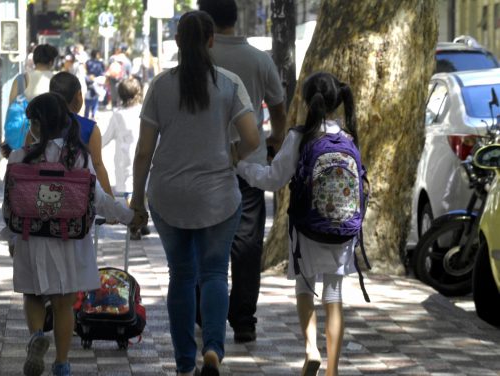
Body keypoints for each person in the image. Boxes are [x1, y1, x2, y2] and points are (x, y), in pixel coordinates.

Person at [129, 11, 259, 376]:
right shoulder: (230, 84)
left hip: (168, 195)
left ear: (176, 41)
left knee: (181, 275)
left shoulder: (160, 86)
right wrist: (232, 154)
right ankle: (214, 350)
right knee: (215, 273)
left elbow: (143, 152)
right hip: (218, 194)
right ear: (211, 40)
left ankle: (185, 361)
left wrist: (137, 201)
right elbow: (252, 137)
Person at [2, 92, 146, 376]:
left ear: (36, 125)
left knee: (32, 294)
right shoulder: (78, 157)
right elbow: (100, 199)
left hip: (31, 236)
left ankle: (36, 337)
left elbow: (10, 203)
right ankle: (62, 364)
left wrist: (10, 237)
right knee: (64, 302)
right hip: (69, 238)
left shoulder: (19, 157)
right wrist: (130, 217)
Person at [235, 72, 360, 376]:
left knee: (306, 287)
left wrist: (240, 166)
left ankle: (311, 349)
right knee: (334, 295)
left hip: (307, 228)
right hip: (343, 230)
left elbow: (273, 179)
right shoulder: (347, 137)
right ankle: (333, 369)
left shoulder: (299, 137)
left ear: (304, 99)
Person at [198, 0, 288, 344]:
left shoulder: (199, 58)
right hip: (251, 163)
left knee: (202, 236)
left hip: (206, 163)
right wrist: (275, 142)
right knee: (247, 244)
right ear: (235, 19)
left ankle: (203, 312)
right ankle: (244, 320)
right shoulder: (259, 59)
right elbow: (278, 110)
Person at [49, 71, 114, 197]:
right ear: (79, 95)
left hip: (44, 196)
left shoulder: (38, 126)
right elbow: (98, 165)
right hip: (78, 198)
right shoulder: (90, 128)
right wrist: (111, 203)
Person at [101, 77, 149, 239]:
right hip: (145, 155)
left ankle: (134, 224)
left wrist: (93, 145)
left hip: (125, 159)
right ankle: (142, 219)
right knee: (142, 189)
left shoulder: (118, 115)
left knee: (129, 192)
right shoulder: (145, 111)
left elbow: (106, 137)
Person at [84, 49, 106, 118]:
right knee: (95, 98)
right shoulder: (100, 63)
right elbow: (103, 72)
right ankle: (93, 114)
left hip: (89, 82)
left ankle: (86, 115)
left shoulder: (88, 62)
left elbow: (86, 71)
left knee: (88, 98)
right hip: (98, 82)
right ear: (97, 55)